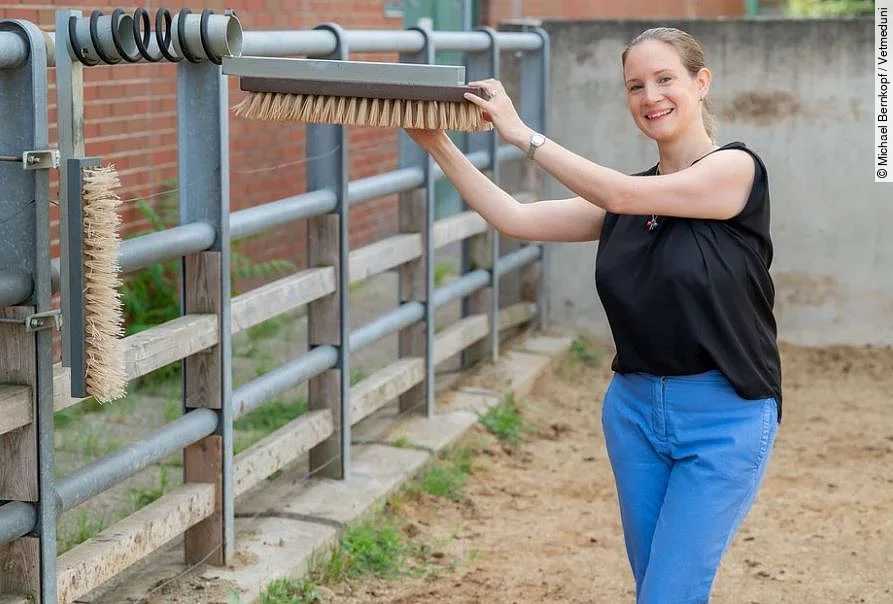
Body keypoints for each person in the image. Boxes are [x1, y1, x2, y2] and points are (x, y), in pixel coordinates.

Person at [406, 26, 782, 604]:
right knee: (653, 589)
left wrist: (520, 135)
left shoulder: (735, 172)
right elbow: (516, 218)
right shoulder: (627, 197)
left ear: (700, 83)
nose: (650, 97)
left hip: (724, 417)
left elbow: (621, 197)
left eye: (665, 80)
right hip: (633, 416)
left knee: (669, 595)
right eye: (635, 86)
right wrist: (437, 145)